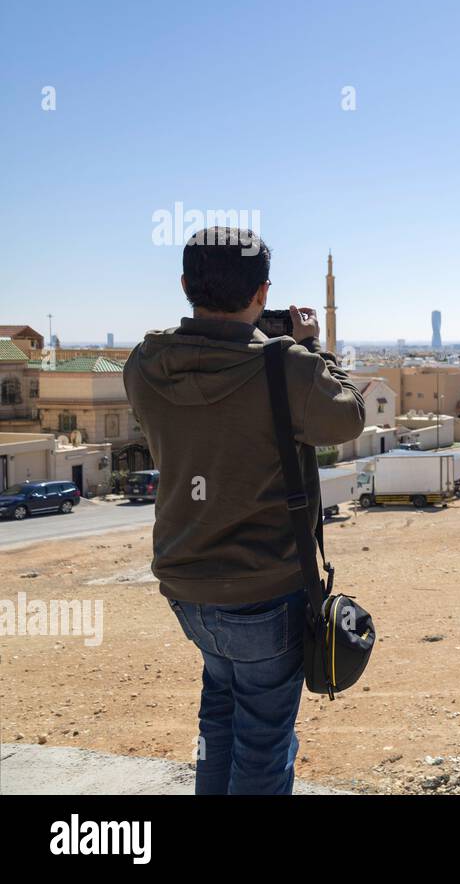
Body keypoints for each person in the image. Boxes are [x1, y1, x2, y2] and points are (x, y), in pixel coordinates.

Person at [124, 227, 365, 794]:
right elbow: (349, 417)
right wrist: (310, 347)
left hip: (188, 587)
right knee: (262, 745)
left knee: (220, 722)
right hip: (263, 591)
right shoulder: (287, 368)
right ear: (262, 293)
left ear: (185, 284)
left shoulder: (144, 364)